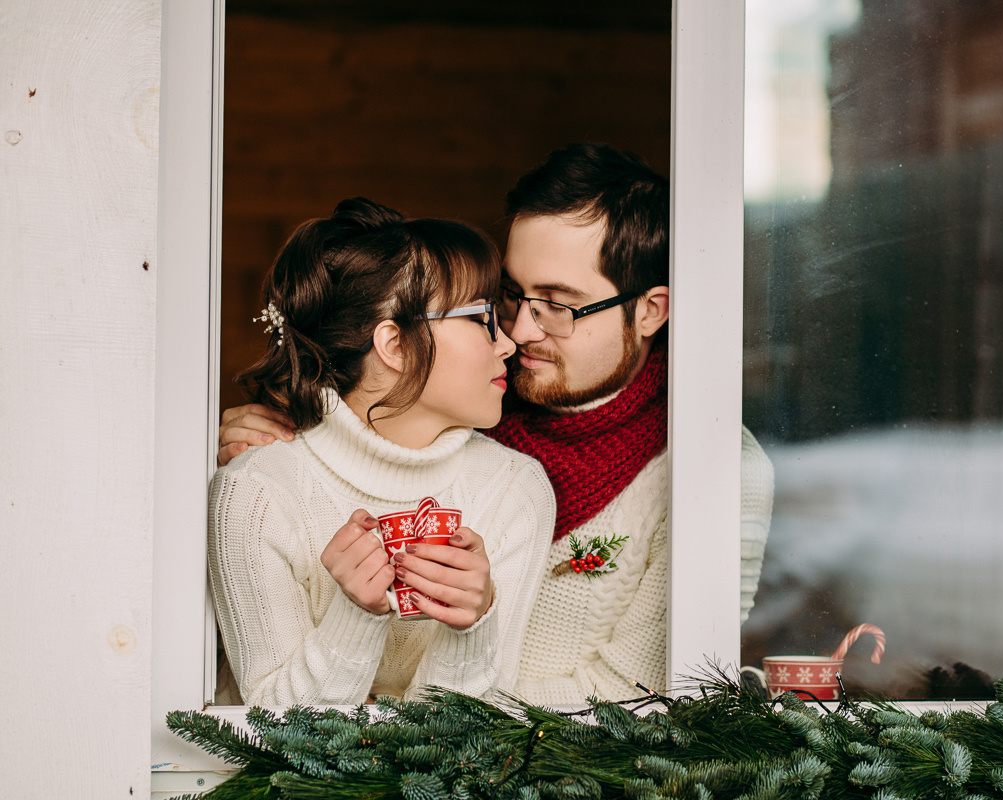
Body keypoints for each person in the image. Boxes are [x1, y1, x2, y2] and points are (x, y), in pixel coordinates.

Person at [219, 144, 773, 707]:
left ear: (651, 310)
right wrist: (293, 430)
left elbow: (643, 699)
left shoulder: (715, 471)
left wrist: (421, 711)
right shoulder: (458, 402)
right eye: (508, 296)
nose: (520, 332)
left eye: (559, 304)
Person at [208, 197, 554, 707]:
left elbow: (469, 747)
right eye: (484, 319)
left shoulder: (515, 489)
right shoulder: (257, 493)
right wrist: (355, 616)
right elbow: (269, 737)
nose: (508, 345)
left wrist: (473, 628)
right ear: (395, 345)